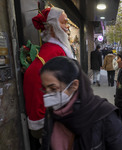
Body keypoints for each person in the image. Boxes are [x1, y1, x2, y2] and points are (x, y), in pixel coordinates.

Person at [39, 56, 122, 150]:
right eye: (44, 89)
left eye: (53, 89)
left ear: (74, 85)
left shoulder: (105, 115)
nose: (48, 94)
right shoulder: (51, 112)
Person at [23, 6, 75, 149]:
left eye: (68, 23)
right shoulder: (53, 53)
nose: (67, 28)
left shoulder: (54, 50)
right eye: (64, 23)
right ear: (52, 27)